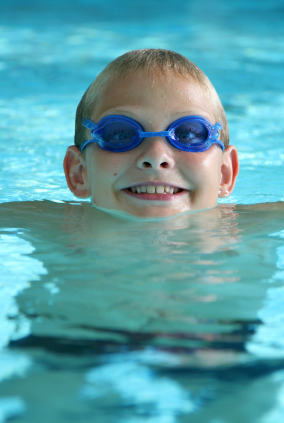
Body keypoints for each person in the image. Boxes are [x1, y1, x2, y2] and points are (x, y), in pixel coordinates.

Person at [63, 49, 239, 218]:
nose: (156, 156)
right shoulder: (43, 226)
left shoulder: (257, 232)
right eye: (121, 135)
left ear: (224, 173)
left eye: (187, 135)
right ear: (79, 173)